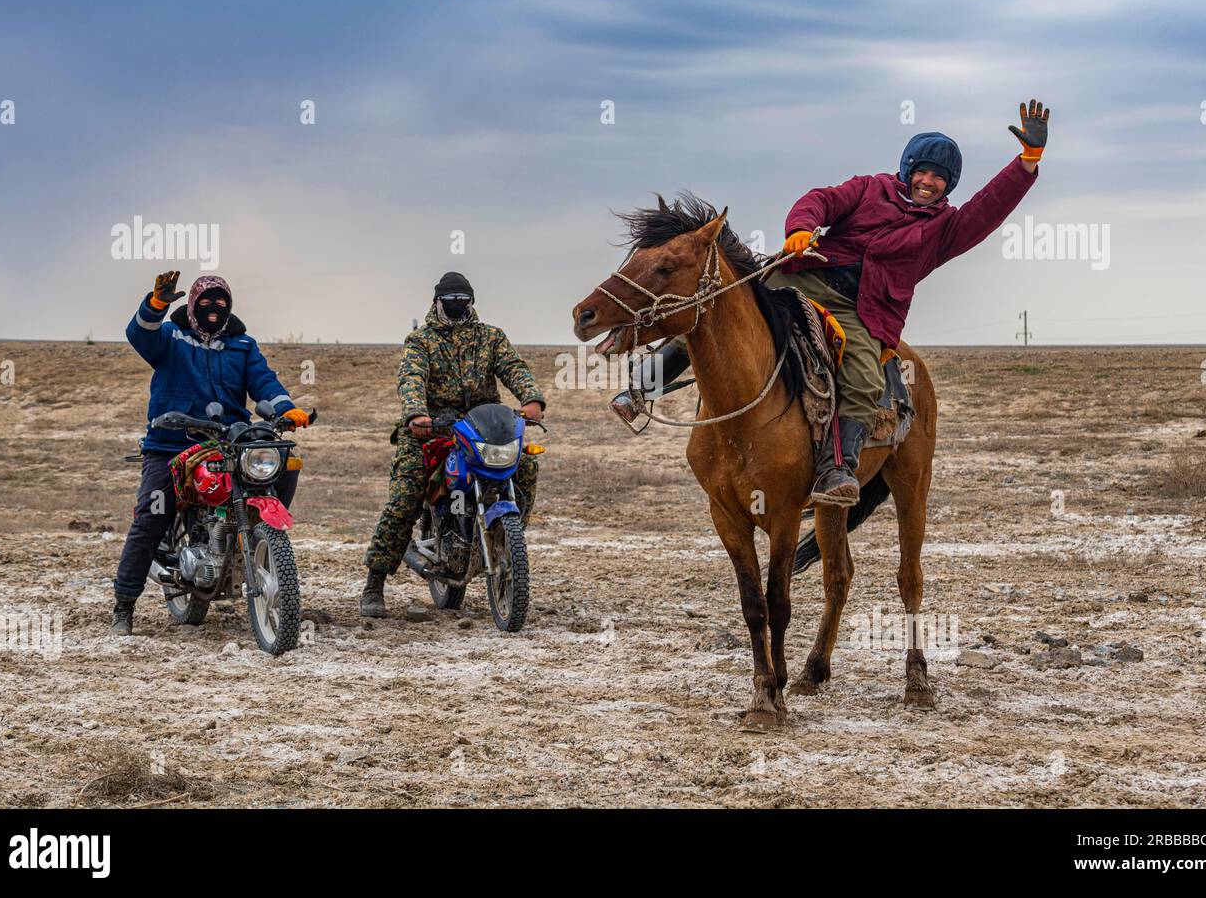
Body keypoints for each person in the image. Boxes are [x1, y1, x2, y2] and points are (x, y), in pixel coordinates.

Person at [612, 99, 1050, 505]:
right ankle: (642, 388)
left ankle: (836, 469)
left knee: (862, 371)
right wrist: (801, 229)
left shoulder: (946, 230)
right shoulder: (869, 189)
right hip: (802, 277)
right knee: (721, 314)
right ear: (908, 169)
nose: (929, 182)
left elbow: (988, 209)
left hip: (862, 311)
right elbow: (820, 200)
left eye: (940, 178)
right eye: (924, 171)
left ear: (948, 185)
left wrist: (1025, 165)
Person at [112, 271, 310, 634]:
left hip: (229, 438)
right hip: (173, 442)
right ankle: (124, 605)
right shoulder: (171, 337)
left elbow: (263, 381)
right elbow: (140, 336)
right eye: (206, 300)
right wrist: (155, 304)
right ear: (191, 304)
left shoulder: (242, 345)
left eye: (221, 300)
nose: (213, 307)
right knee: (151, 516)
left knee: (286, 459)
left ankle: (256, 530)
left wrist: (285, 409)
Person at [360, 272, 546, 617]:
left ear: (471, 302)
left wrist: (531, 398)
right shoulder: (421, 340)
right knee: (405, 496)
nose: (457, 307)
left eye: (464, 301)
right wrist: (416, 414)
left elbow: (513, 366)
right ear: (438, 302)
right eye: (451, 301)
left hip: (481, 425)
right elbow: (411, 377)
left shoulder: (490, 336)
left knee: (527, 465)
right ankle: (375, 581)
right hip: (433, 428)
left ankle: (508, 536)